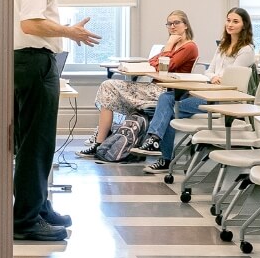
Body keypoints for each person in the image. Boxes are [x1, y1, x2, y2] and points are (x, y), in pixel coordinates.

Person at [13, 0, 102, 242]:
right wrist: (69, 31)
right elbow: (31, 24)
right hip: (35, 61)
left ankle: (37, 206)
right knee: (37, 144)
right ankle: (25, 219)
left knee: (27, 143)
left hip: (17, 63)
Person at [137, 7, 257, 174]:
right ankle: (154, 139)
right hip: (209, 90)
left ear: (244, 25)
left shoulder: (247, 50)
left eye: (235, 21)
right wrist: (214, 76)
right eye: (228, 20)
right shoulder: (223, 45)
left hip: (223, 98)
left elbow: (233, 75)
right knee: (166, 97)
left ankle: (165, 159)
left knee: (171, 110)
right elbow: (209, 71)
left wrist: (217, 76)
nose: (230, 24)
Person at [77, 10, 197, 157]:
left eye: (176, 23)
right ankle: (100, 141)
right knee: (107, 87)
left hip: (166, 91)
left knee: (109, 87)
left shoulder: (189, 47)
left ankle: (101, 140)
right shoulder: (173, 47)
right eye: (169, 24)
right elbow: (152, 61)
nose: (172, 26)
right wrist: (164, 54)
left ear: (186, 25)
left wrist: (169, 45)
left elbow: (164, 66)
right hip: (154, 87)